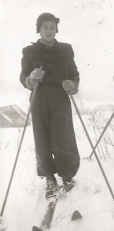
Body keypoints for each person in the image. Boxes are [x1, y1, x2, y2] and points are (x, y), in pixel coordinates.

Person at [20, 13, 80, 199]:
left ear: (56, 30)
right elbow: (23, 77)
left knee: (64, 136)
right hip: (39, 96)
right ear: (38, 29)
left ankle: (67, 175)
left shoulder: (65, 49)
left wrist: (72, 84)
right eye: (45, 27)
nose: (49, 30)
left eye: (52, 27)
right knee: (42, 136)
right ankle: (49, 178)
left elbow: (74, 74)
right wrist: (31, 78)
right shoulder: (29, 52)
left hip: (60, 96)